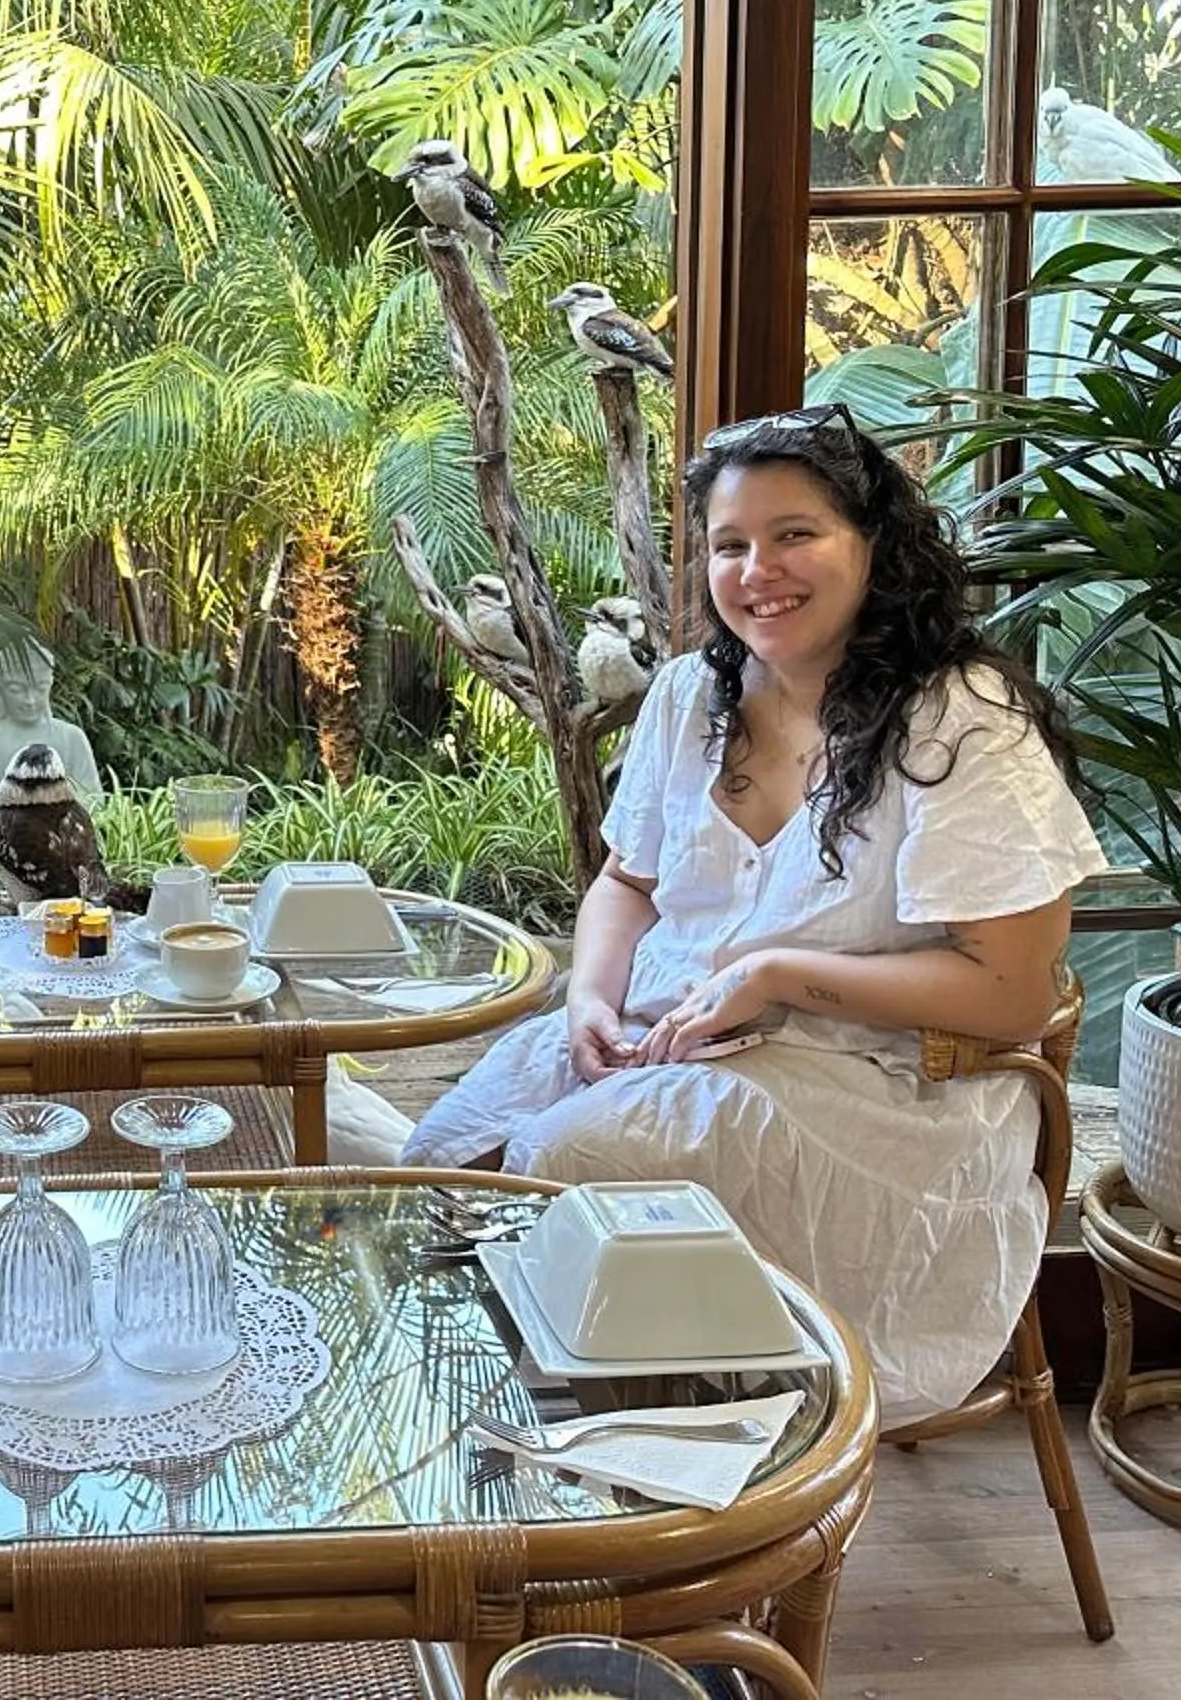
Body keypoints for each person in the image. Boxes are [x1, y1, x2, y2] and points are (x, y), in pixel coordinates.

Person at [404, 403, 1108, 1425]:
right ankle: (527, 1467)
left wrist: (773, 974)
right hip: (664, 1036)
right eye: (730, 545)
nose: (756, 569)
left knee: (569, 1170)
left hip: (871, 1089)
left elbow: (1010, 993)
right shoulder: (693, 694)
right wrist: (590, 1001)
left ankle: (656, 1494)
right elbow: (627, 883)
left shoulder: (961, 720)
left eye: (795, 535)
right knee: (441, 1160)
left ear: (874, 547)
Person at [0, 645, 105, 819]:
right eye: (16, 690)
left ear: (50, 685)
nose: (30, 700)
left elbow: (95, 799)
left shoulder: (71, 737)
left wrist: (46, 808)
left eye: (40, 688)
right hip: (4, 839)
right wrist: (19, 806)